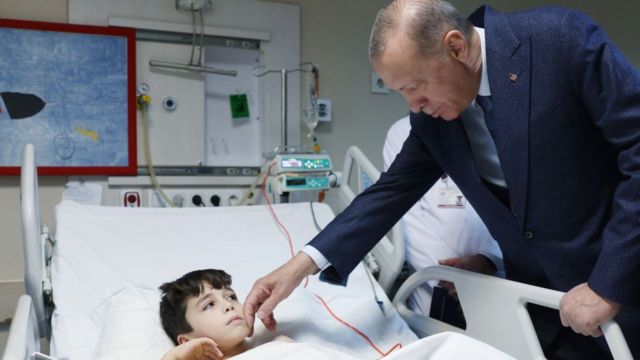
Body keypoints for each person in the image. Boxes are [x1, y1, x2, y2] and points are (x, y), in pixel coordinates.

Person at [244, 1, 640, 358]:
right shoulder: (433, 123)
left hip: (621, 286)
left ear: (456, 47)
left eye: (414, 88)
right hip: (544, 307)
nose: (413, 106)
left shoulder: (558, 39)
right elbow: (389, 192)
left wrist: (607, 285)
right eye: (401, 93)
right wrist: (300, 265)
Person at [383, 115, 503, 317]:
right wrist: (447, 277)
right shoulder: (402, 131)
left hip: (500, 276)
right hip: (435, 284)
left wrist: (490, 258)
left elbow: (517, 211)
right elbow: (408, 221)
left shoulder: (496, 126)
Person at [159, 269, 291, 360]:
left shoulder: (281, 345)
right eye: (209, 305)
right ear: (186, 341)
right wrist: (175, 357)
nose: (228, 306)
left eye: (231, 297)